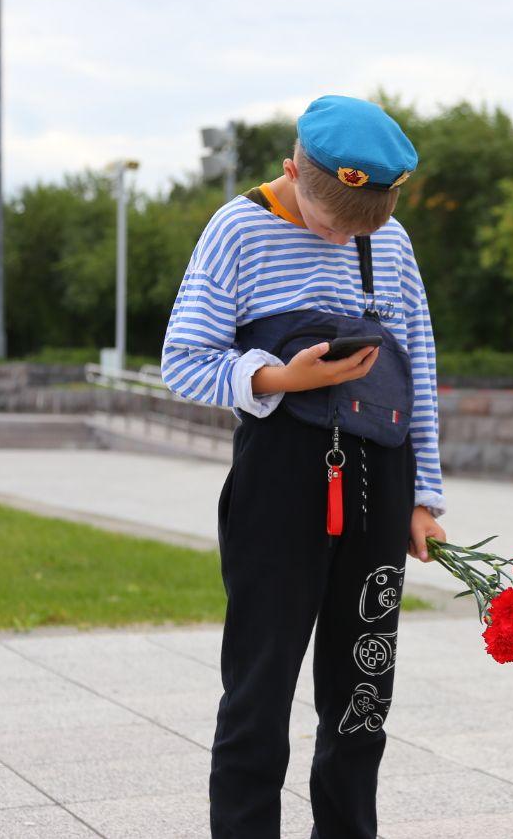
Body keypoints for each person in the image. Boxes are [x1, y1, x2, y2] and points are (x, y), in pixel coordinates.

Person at [161, 95, 447, 839]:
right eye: (331, 225)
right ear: (292, 171)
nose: (345, 239)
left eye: (361, 230)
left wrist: (424, 497)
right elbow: (183, 361)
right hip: (280, 480)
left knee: (362, 694)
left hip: (380, 478)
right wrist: (282, 378)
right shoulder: (238, 229)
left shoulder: (390, 239)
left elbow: (419, 369)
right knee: (258, 691)